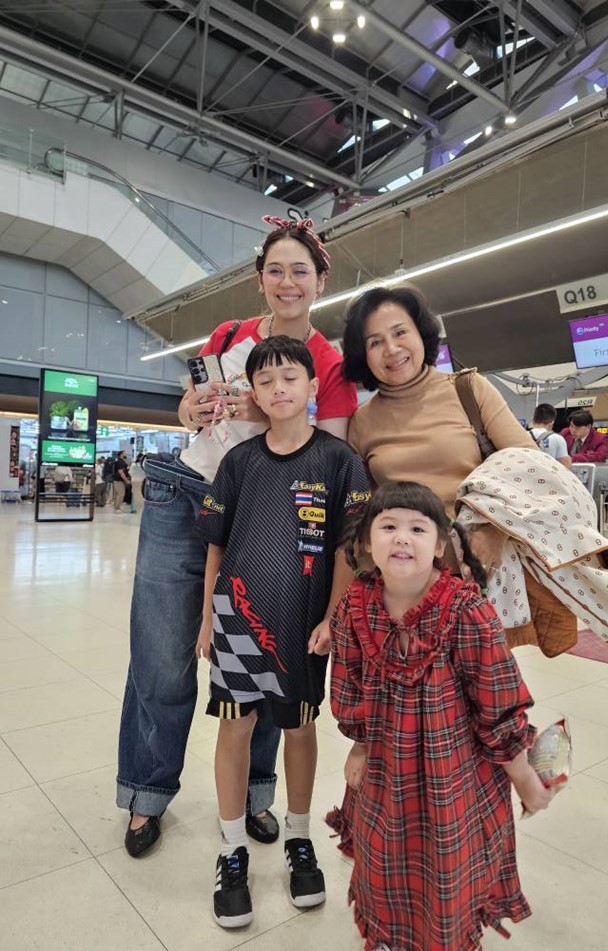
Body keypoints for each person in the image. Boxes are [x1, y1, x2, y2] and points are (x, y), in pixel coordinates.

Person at [116, 215, 357, 859]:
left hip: (266, 510)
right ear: (259, 281)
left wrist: (267, 408)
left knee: (270, 651)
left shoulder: (330, 364)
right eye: (275, 270)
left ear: (321, 280)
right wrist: (189, 409)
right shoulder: (228, 335)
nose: (287, 282)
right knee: (162, 655)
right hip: (183, 492)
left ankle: (256, 793)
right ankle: (146, 792)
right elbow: (189, 410)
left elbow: (329, 450)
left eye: (300, 270)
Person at [330, 481, 551, 951]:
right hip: (386, 767)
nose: (402, 537)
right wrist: (360, 744)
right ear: (367, 540)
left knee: (446, 866)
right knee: (384, 854)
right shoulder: (356, 604)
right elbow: (348, 682)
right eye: (388, 526)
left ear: (439, 545)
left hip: (455, 775)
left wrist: (524, 777)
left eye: (417, 528)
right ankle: (389, 936)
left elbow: (497, 702)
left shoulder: (466, 611)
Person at [195, 336, 369, 928]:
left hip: (302, 629)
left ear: (313, 386)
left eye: (290, 378)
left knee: (298, 728)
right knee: (234, 728)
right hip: (237, 622)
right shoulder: (238, 462)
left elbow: (348, 547)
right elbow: (216, 545)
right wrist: (207, 617)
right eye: (265, 381)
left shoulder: (339, 461)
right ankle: (231, 850)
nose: (278, 389)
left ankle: (299, 837)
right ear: (253, 392)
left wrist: (333, 615)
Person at [341, 283, 534, 575]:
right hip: (406, 582)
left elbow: (531, 465)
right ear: (363, 355)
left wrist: (497, 531)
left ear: (421, 333)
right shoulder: (361, 421)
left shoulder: (468, 390)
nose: (391, 349)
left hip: (488, 574)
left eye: (400, 332)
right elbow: (363, 509)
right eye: (375, 342)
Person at [529, 403, 572, 468]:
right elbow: (565, 466)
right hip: (547, 473)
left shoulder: (522, 436)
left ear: (533, 420)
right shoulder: (557, 439)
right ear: (552, 423)